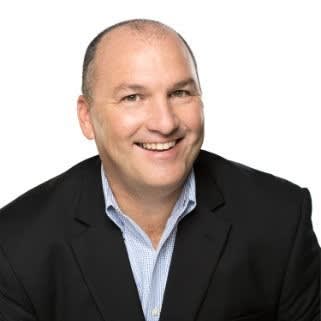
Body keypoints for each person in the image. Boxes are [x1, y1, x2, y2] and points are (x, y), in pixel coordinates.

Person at [0, 18, 319, 321]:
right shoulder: (16, 243)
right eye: (133, 97)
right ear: (86, 117)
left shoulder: (281, 219)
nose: (165, 123)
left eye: (180, 93)